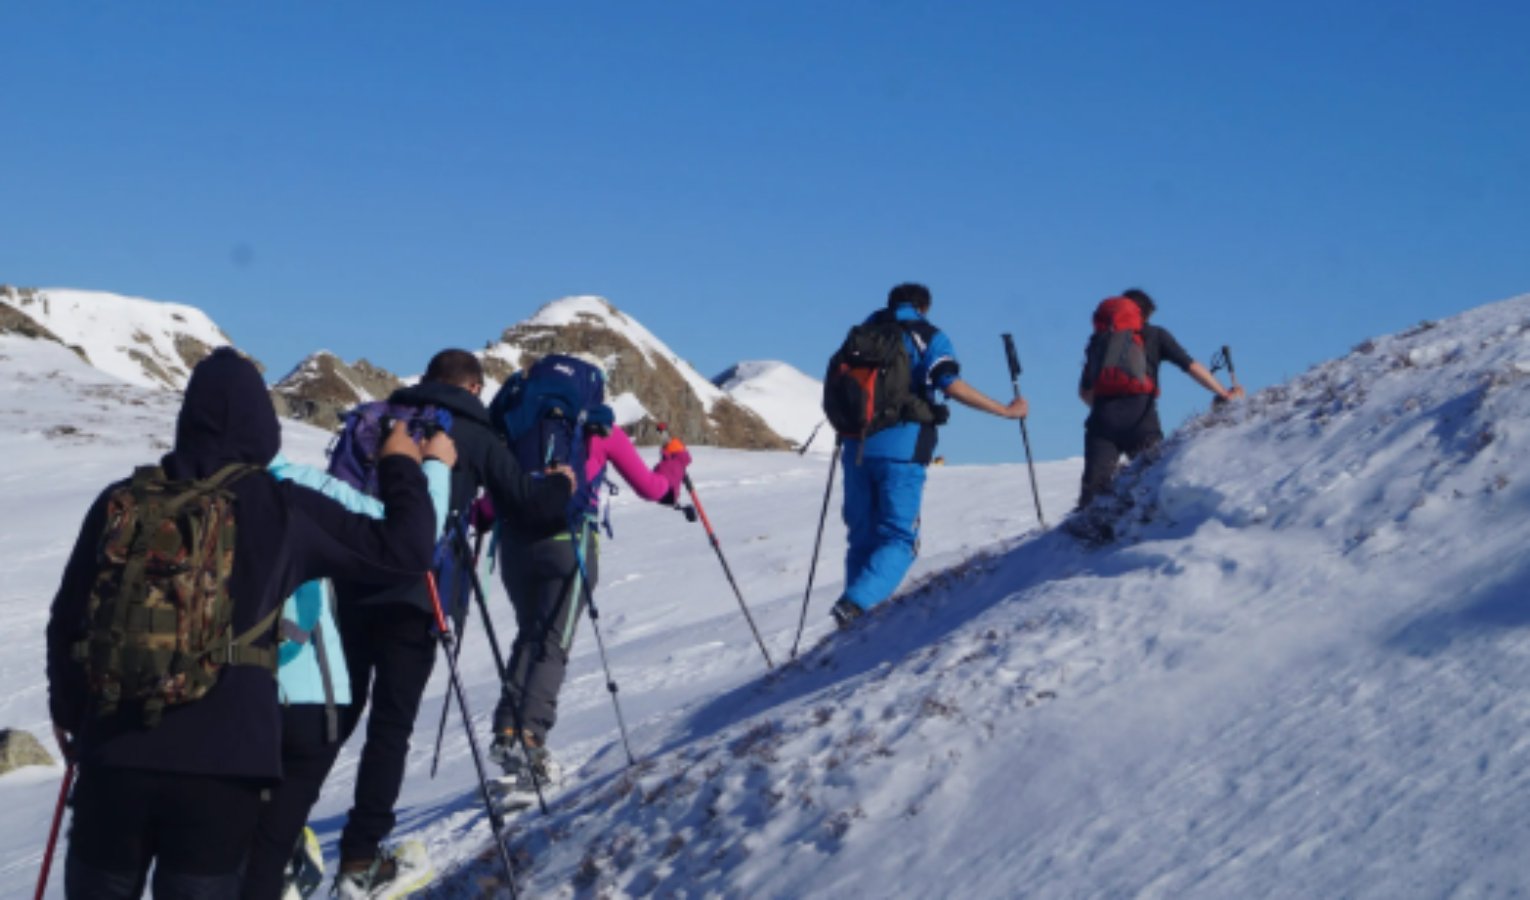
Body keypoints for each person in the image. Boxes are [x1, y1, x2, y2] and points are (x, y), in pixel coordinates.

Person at [45, 347, 436, 900]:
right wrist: (401, 462)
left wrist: (71, 714)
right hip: (224, 767)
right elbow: (407, 551)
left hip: (114, 753)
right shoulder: (283, 508)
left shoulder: (122, 502)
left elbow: (67, 622)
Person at [329, 349, 572, 898]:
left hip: (351, 581)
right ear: (475, 387)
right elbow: (532, 505)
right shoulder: (471, 431)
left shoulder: (386, 416)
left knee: (336, 711)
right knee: (389, 729)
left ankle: (274, 835)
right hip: (419, 593)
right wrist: (560, 482)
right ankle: (360, 860)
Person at [240, 440, 456, 900]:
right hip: (298, 685)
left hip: (207, 698)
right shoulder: (295, 485)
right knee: (387, 728)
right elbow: (415, 538)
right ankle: (348, 864)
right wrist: (431, 467)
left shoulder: (165, 490)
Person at [487, 354, 692, 801]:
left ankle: (507, 732)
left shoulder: (515, 422)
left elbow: (489, 501)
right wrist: (675, 462)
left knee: (529, 634)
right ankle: (531, 745)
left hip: (514, 546)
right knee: (553, 642)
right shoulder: (598, 428)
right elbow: (654, 489)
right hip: (570, 543)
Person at [831, 283, 1028, 627]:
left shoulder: (861, 336)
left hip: (855, 447)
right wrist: (1004, 411)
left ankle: (852, 617)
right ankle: (856, 605)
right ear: (923, 306)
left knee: (862, 537)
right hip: (903, 448)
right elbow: (949, 383)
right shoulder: (926, 335)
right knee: (899, 539)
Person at [1076, 288, 1244, 509]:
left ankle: (1083, 540)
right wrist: (1224, 393)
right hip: (1140, 418)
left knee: (1094, 492)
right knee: (1150, 482)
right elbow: (1189, 365)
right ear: (1144, 313)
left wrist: (1101, 410)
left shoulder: (1100, 340)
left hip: (1102, 420)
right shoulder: (1155, 335)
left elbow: (1084, 392)